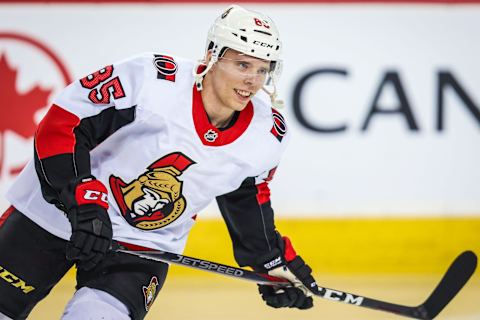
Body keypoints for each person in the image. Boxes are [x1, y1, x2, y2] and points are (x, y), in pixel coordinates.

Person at [0, 4, 317, 320]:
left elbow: (247, 200)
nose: (252, 80)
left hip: (141, 244)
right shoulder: (150, 80)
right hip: (50, 216)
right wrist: (81, 199)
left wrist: (273, 262)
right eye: (243, 65)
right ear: (211, 55)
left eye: (263, 69)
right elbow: (63, 125)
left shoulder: (267, 133)